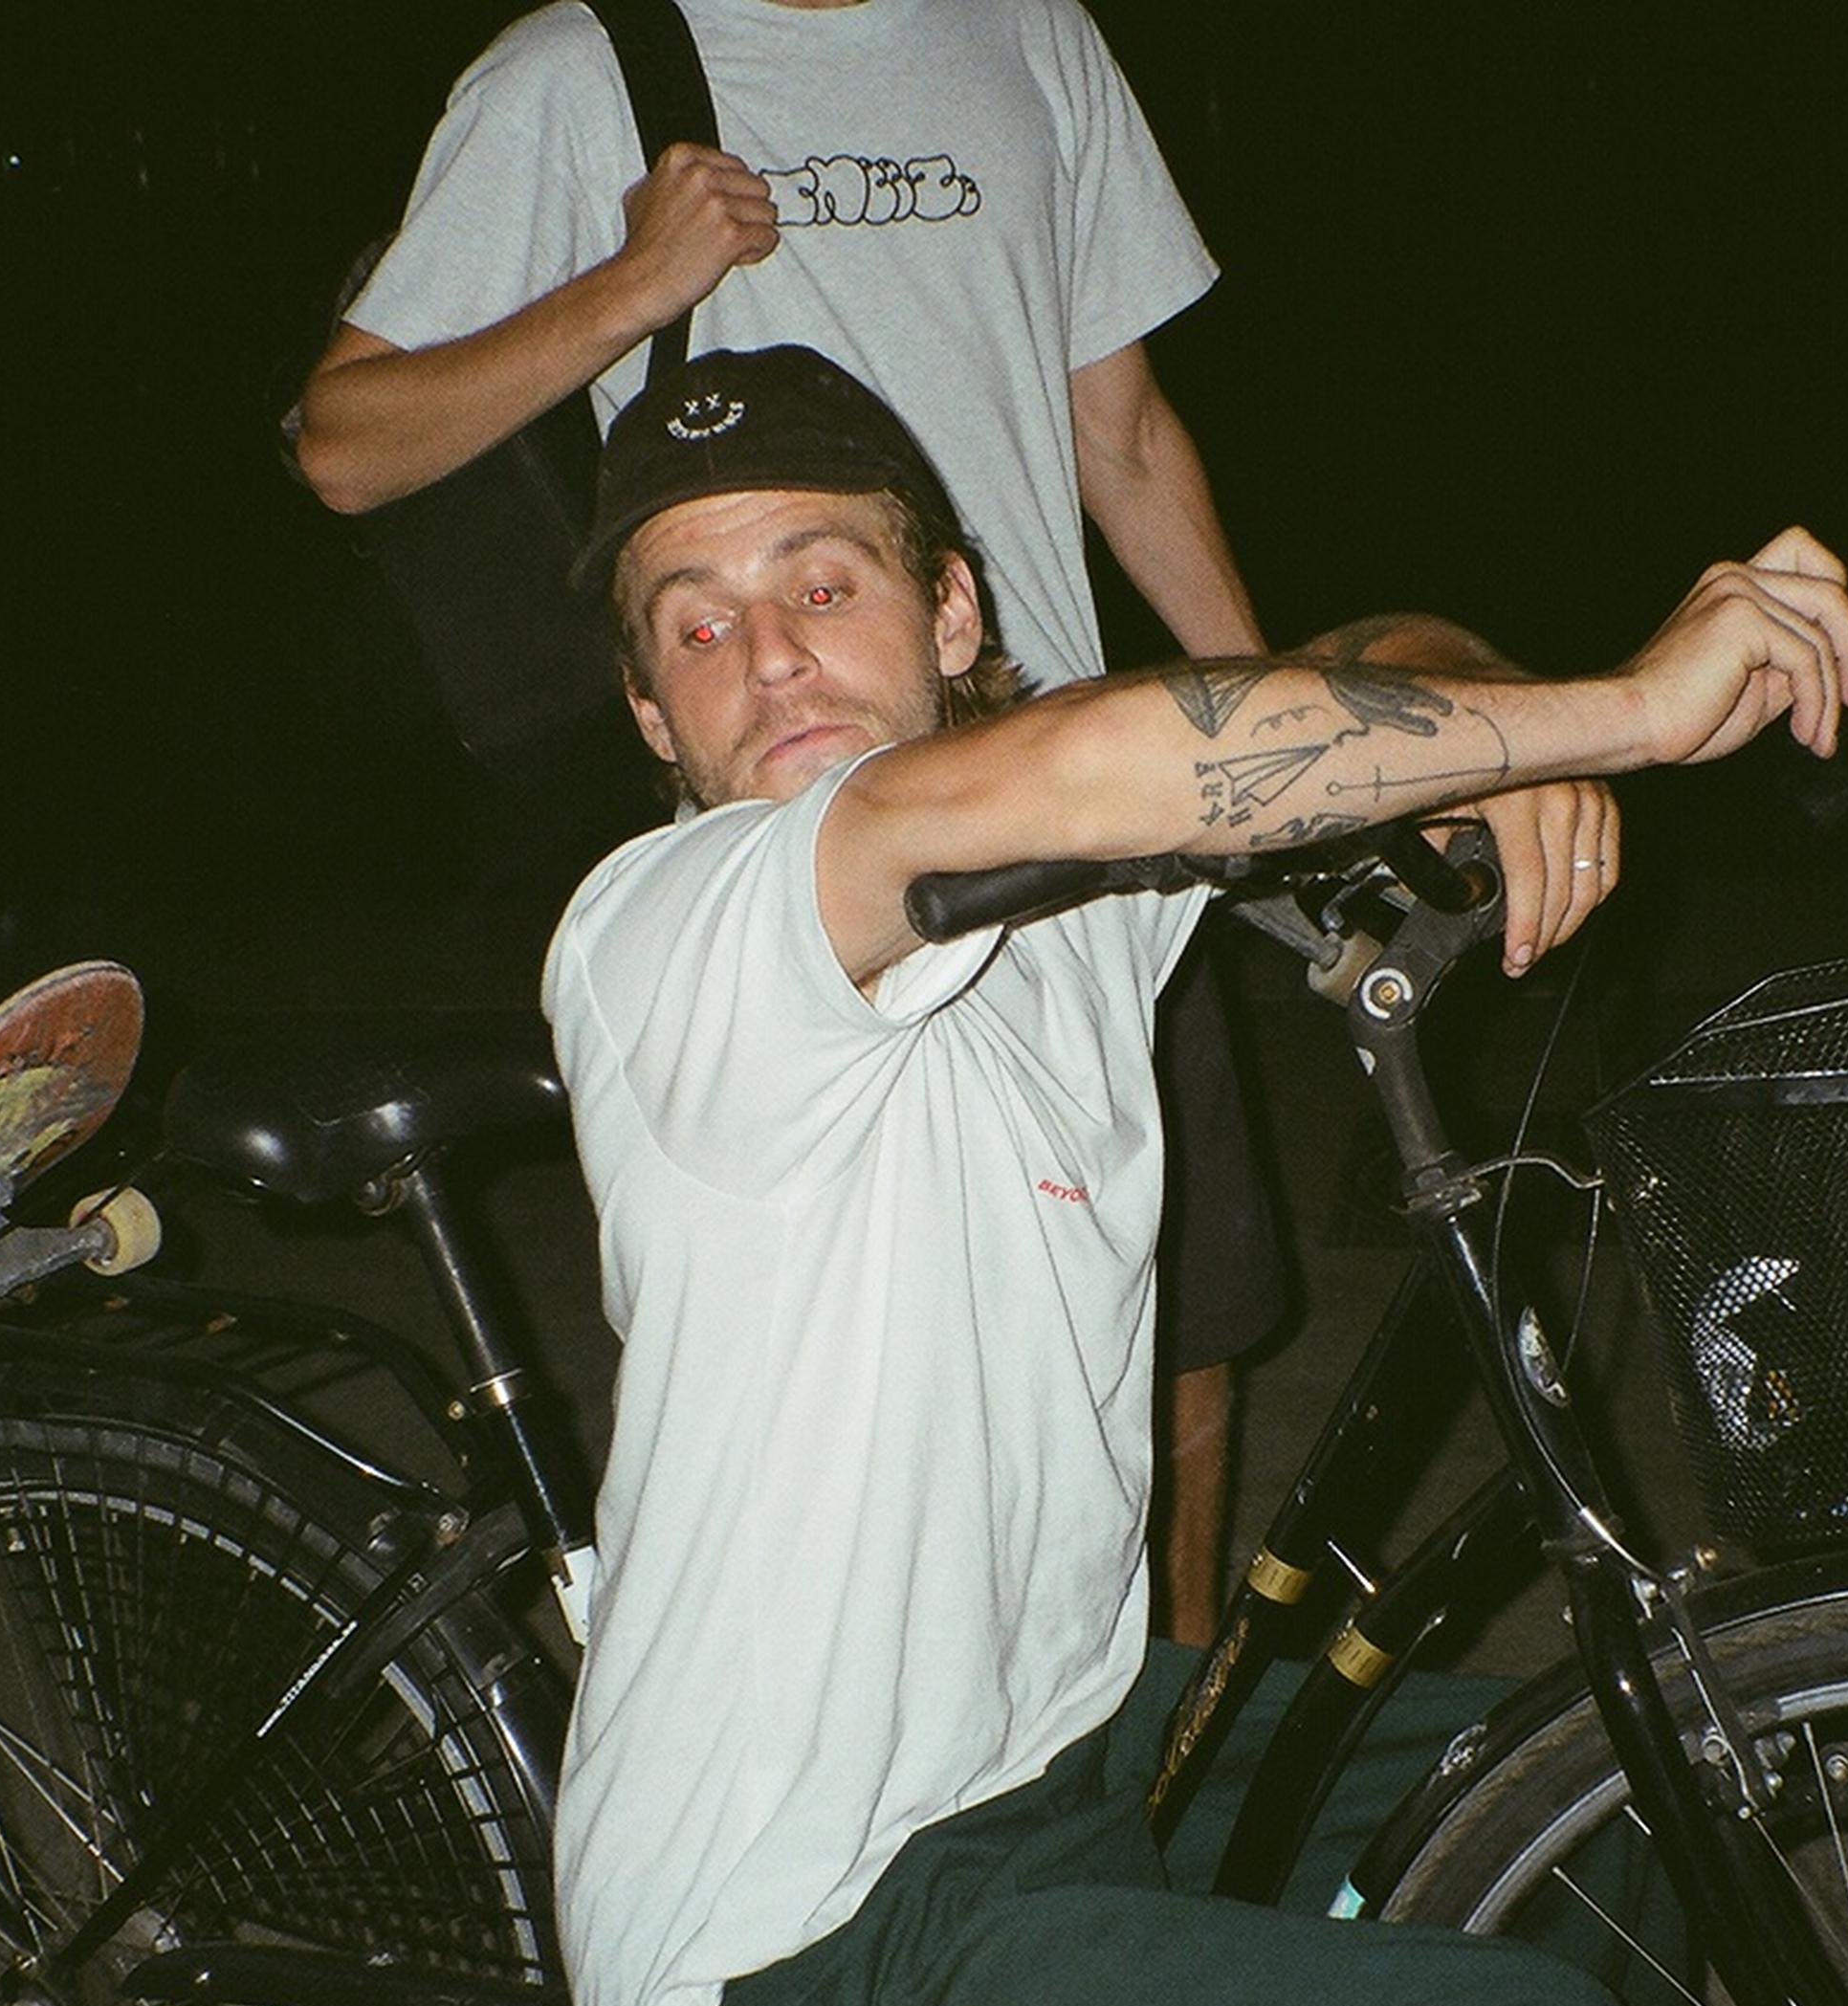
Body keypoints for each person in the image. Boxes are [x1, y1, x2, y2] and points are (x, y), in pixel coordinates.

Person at [541, 343, 1848, 2006]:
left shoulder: (1064, 906)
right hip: (801, 1953)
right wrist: (1619, 708)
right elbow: (1080, 770)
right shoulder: (673, 930)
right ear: (651, 720)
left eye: (823, 580)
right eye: (693, 627)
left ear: (954, 610)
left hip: (1064, 1745)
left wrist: (1475, 718)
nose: (767, 652)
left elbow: (1332, 667)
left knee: (1587, 1781)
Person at [293, 0, 1534, 1643]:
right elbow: (347, 442)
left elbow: (1123, 434)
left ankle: (1151, 1741)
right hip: (813, 864)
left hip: (1101, 820)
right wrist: (629, 288)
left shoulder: (1031, 33)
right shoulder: (582, 72)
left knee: (1181, 1334)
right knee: (878, 1404)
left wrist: (1298, 770)